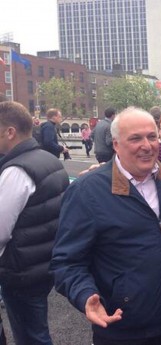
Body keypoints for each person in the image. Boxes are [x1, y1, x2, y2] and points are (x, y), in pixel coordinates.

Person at [50, 107, 161, 345]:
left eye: (152, 137)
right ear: (115, 145)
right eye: (135, 138)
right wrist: (85, 295)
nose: (147, 145)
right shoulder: (87, 191)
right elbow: (66, 262)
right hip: (120, 326)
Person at [0, 101, 69, 345]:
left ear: (10, 132)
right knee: (36, 330)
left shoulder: (16, 171)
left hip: (21, 270)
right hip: (42, 263)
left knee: (30, 336)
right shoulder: (48, 160)